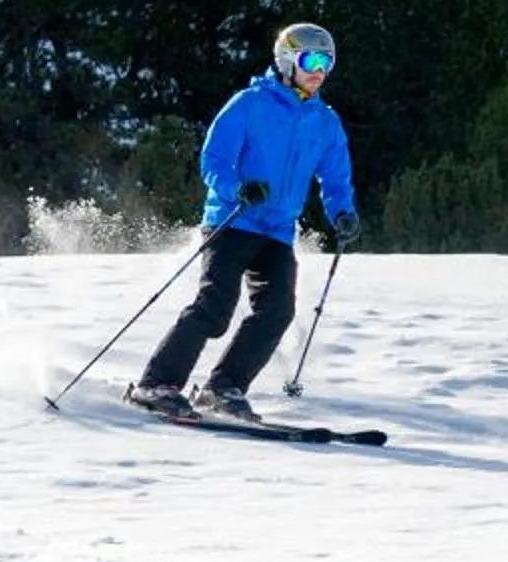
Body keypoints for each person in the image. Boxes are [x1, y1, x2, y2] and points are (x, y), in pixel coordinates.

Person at [129, 22, 361, 423]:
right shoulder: (250, 104)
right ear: (287, 59)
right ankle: (157, 384)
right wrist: (238, 188)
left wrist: (343, 213)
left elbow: (335, 180)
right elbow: (213, 160)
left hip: (276, 231)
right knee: (215, 308)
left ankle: (225, 387)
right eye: (312, 60)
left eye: (328, 62)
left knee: (277, 311)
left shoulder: (325, 122)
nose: (320, 69)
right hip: (233, 221)